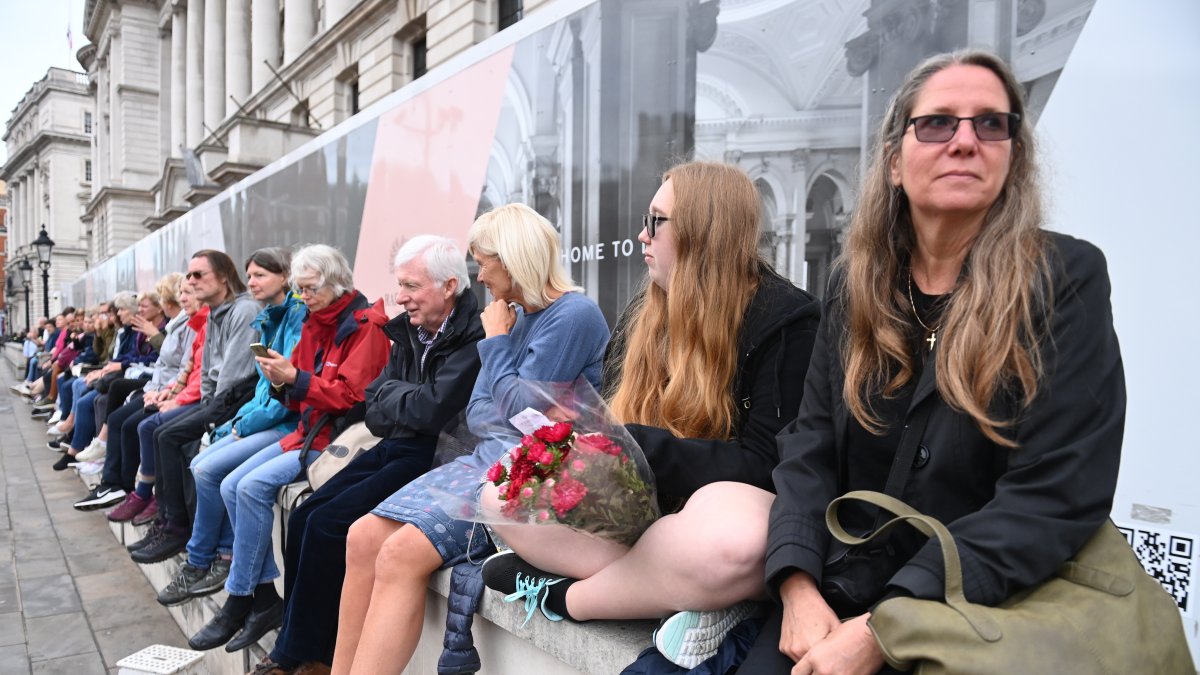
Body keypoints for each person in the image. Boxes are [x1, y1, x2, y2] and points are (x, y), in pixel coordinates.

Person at [739, 50, 1126, 674]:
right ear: (894, 160)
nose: (966, 141)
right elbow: (807, 444)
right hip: (835, 594)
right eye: (939, 123)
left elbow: (1055, 492)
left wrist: (887, 624)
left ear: (1013, 157)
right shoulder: (855, 286)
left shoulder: (1063, 280)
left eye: (991, 124)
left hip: (977, 611)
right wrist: (796, 585)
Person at [477, 162, 821, 667]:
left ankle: (565, 596)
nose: (642, 234)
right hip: (647, 517)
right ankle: (672, 593)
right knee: (496, 492)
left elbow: (767, 462)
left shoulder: (787, 319)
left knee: (738, 540)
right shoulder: (649, 308)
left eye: (657, 221)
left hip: (706, 518)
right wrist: (586, 454)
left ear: (705, 231)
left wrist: (632, 446)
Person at [330, 204, 610, 675]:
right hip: (486, 460)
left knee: (399, 554)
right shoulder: (516, 317)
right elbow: (482, 414)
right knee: (361, 537)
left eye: (485, 262)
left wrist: (498, 345)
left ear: (514, 257)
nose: (479, 276)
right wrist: (514, 395)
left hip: (525, 475)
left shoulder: (572, 314)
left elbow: (524, 411)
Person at [249, 235, 486, 675]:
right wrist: (406, 400)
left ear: (450, 285)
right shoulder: (412, 331)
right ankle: (300, 644)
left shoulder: (473, 336)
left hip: (433, 457)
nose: (402, 298)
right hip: (395, 443)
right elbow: (375, 407)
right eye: (401, 286)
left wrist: (401, 399)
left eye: (412, 286)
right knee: (303, 514)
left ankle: (303, 655)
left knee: (326, 525)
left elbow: (432, 411)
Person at [187, 244, 391, 654]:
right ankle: (262, 596)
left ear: (337, 284)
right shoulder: (317, 320)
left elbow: (353, 398)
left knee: (248, 487)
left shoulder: (365, 325)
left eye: (311, 288)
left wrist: (293, 378)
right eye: (300, 289)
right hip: (306, 433)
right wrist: (281, 380)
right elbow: (296, 398)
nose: (305, 297)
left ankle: (241, 597)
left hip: (337, 443)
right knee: (229, 485)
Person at [157, 248, 305, 606]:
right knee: (198, 460)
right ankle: (209, 555)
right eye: (250, 275)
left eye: (260, 276)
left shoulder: (290, 317)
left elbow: (278, 394)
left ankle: (217, 567)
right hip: (260, 415)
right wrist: (232, 423)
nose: (251, 282)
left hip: (291, 426)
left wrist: (235, 423)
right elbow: (256, 386)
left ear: (284, 278)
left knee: (216, 471)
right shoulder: (270, 317)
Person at [129, 249, 261, 562]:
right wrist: (199, 401)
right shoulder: (216, 312)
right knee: (158, 430)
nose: (190, 281)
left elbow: (232, 376)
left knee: (168, 435)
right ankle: (167, 519)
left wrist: (206, 413)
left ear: (224, 278)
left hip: (235, 401)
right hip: (216, 398)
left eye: (198, 275)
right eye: (188, 275)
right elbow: (205, 372)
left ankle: (177, 528)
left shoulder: (242, 310)